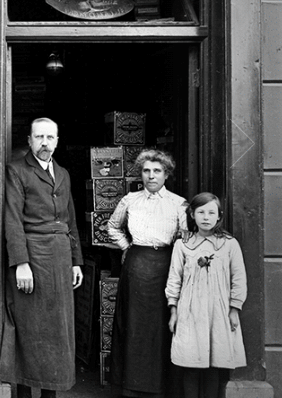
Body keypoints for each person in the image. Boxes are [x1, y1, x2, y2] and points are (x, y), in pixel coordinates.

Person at [0, 117, 84, 398]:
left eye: (49, 137)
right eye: (39, 137)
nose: (44, 143)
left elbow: (70, 220)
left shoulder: (63, 174)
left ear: (57, 141)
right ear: (29, 140)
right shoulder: (16, 171)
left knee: (58, 329)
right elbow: (12, 220)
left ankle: (51, 394)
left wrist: (76, 261)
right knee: (30, 327)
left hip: (60, 259)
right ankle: (24, 392)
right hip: (32, 257)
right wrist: (21, 263)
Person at [107, 149, 188, 397]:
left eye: (157, 171)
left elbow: (185, 238)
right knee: (133, 324)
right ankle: (131, 387)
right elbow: (112, 226)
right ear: (140, 174)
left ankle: (159, 387)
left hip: (165, 266)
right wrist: (126, 247)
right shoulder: (130, 200)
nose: (151, 176)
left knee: (161, 326)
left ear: (166, 174)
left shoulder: (178, 203)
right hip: (136, 266)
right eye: (146, 171)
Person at [166, 192, 246, 398]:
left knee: (214, 364)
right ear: (192, 214)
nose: (206, 217)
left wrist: (234, 309)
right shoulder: (183, 245)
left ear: (219, 216)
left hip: (218, 311)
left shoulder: (229, 244)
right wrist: (174, 311)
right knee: (190, 363)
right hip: (190, 311)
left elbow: (239, 278)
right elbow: (174, 278)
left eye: (211, 213)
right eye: (201, 212)